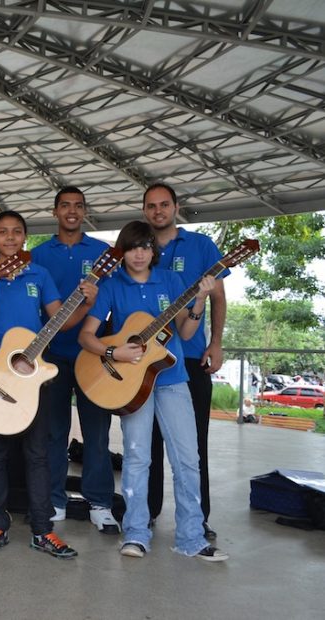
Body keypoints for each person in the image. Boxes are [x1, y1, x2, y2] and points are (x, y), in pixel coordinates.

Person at [78, 220, 228, 561]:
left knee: (188, 459)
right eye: (132, 247)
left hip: (172, 380)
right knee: (137, 458)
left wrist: (200, 300)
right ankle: (135, 533)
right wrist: (114, 352)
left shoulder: (173, 281)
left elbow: (186, 334)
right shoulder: (112, 286)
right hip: (133, 385)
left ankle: (191, 536)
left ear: (153, 250)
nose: (140, 253)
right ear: (123, 252)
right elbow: (86, 336)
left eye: (146, 246)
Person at [0, 211, 83, 558]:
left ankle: (43, 530)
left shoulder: (39, 274)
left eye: (16, 232)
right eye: (3, 232)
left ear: (25, 238)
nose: (10, 237)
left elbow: (60, 319)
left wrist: (85, 300)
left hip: (32, 374)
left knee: (38, 453)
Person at [142, 182, 227, 540]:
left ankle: (197, 517)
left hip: (190, 357)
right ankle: (145, 512)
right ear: (144, 210)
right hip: (144, 362)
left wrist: (217, 342)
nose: (158, 211)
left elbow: (218, 297)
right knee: (147, 443)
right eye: (151, 206)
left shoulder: (201, 246)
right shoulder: (137, 247)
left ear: (176, 207)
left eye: (164, 204)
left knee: (193, 444)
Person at [32, 187, 119, 533]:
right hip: (51, 355)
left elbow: (115, 299)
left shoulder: (103, 253)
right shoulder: (37, 256)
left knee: (97, 433)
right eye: (65, 206)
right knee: (53, 432)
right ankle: (55, 499)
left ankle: (100, 502)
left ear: (85, 211)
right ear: (54, 212)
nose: (71, 211)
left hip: (93, 355)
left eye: (78, 206)